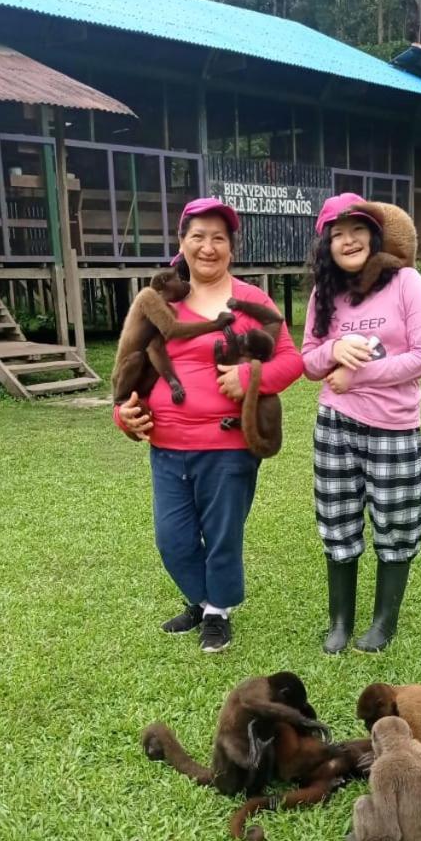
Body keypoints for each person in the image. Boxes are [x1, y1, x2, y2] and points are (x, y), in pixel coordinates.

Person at [114, 197, 303, 653]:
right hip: (166, 444)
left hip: (227, 445)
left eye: (219, 237)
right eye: (198, 236)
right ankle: (202, 599)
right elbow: (128, 367)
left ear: (231, 249)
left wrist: (248, 376)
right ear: (182, 243)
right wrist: (122, 414)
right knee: (172, 538)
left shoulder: (252, 300)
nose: (208, 246)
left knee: (221, 536)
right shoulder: (159, 302)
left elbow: (291, 360)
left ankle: (217, 612)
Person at [302, 192, 421, 654]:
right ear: (327, 245)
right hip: (335, 426)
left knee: (396, 524)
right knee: (337, 520)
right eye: (337, 234)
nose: (348, 240)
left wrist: (354, 375)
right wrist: (332, 353)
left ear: (373, 235)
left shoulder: (406, 283)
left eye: (357, 230)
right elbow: (308, 361)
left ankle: (383, 622)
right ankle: (340, 622)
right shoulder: (325, 292)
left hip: (394, 429)